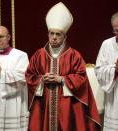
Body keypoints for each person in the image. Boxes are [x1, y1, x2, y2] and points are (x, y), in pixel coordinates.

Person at [25, 2, 101, 131]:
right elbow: (29, 76)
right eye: (51, 33)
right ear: (48, 34)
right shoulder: (39, 55)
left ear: (65, 37)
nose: (54, 37)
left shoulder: (74, 55)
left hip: (68, 105)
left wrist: (62, 79)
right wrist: (42, 79)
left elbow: (81, 78)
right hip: (44, 103)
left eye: (58, 34)